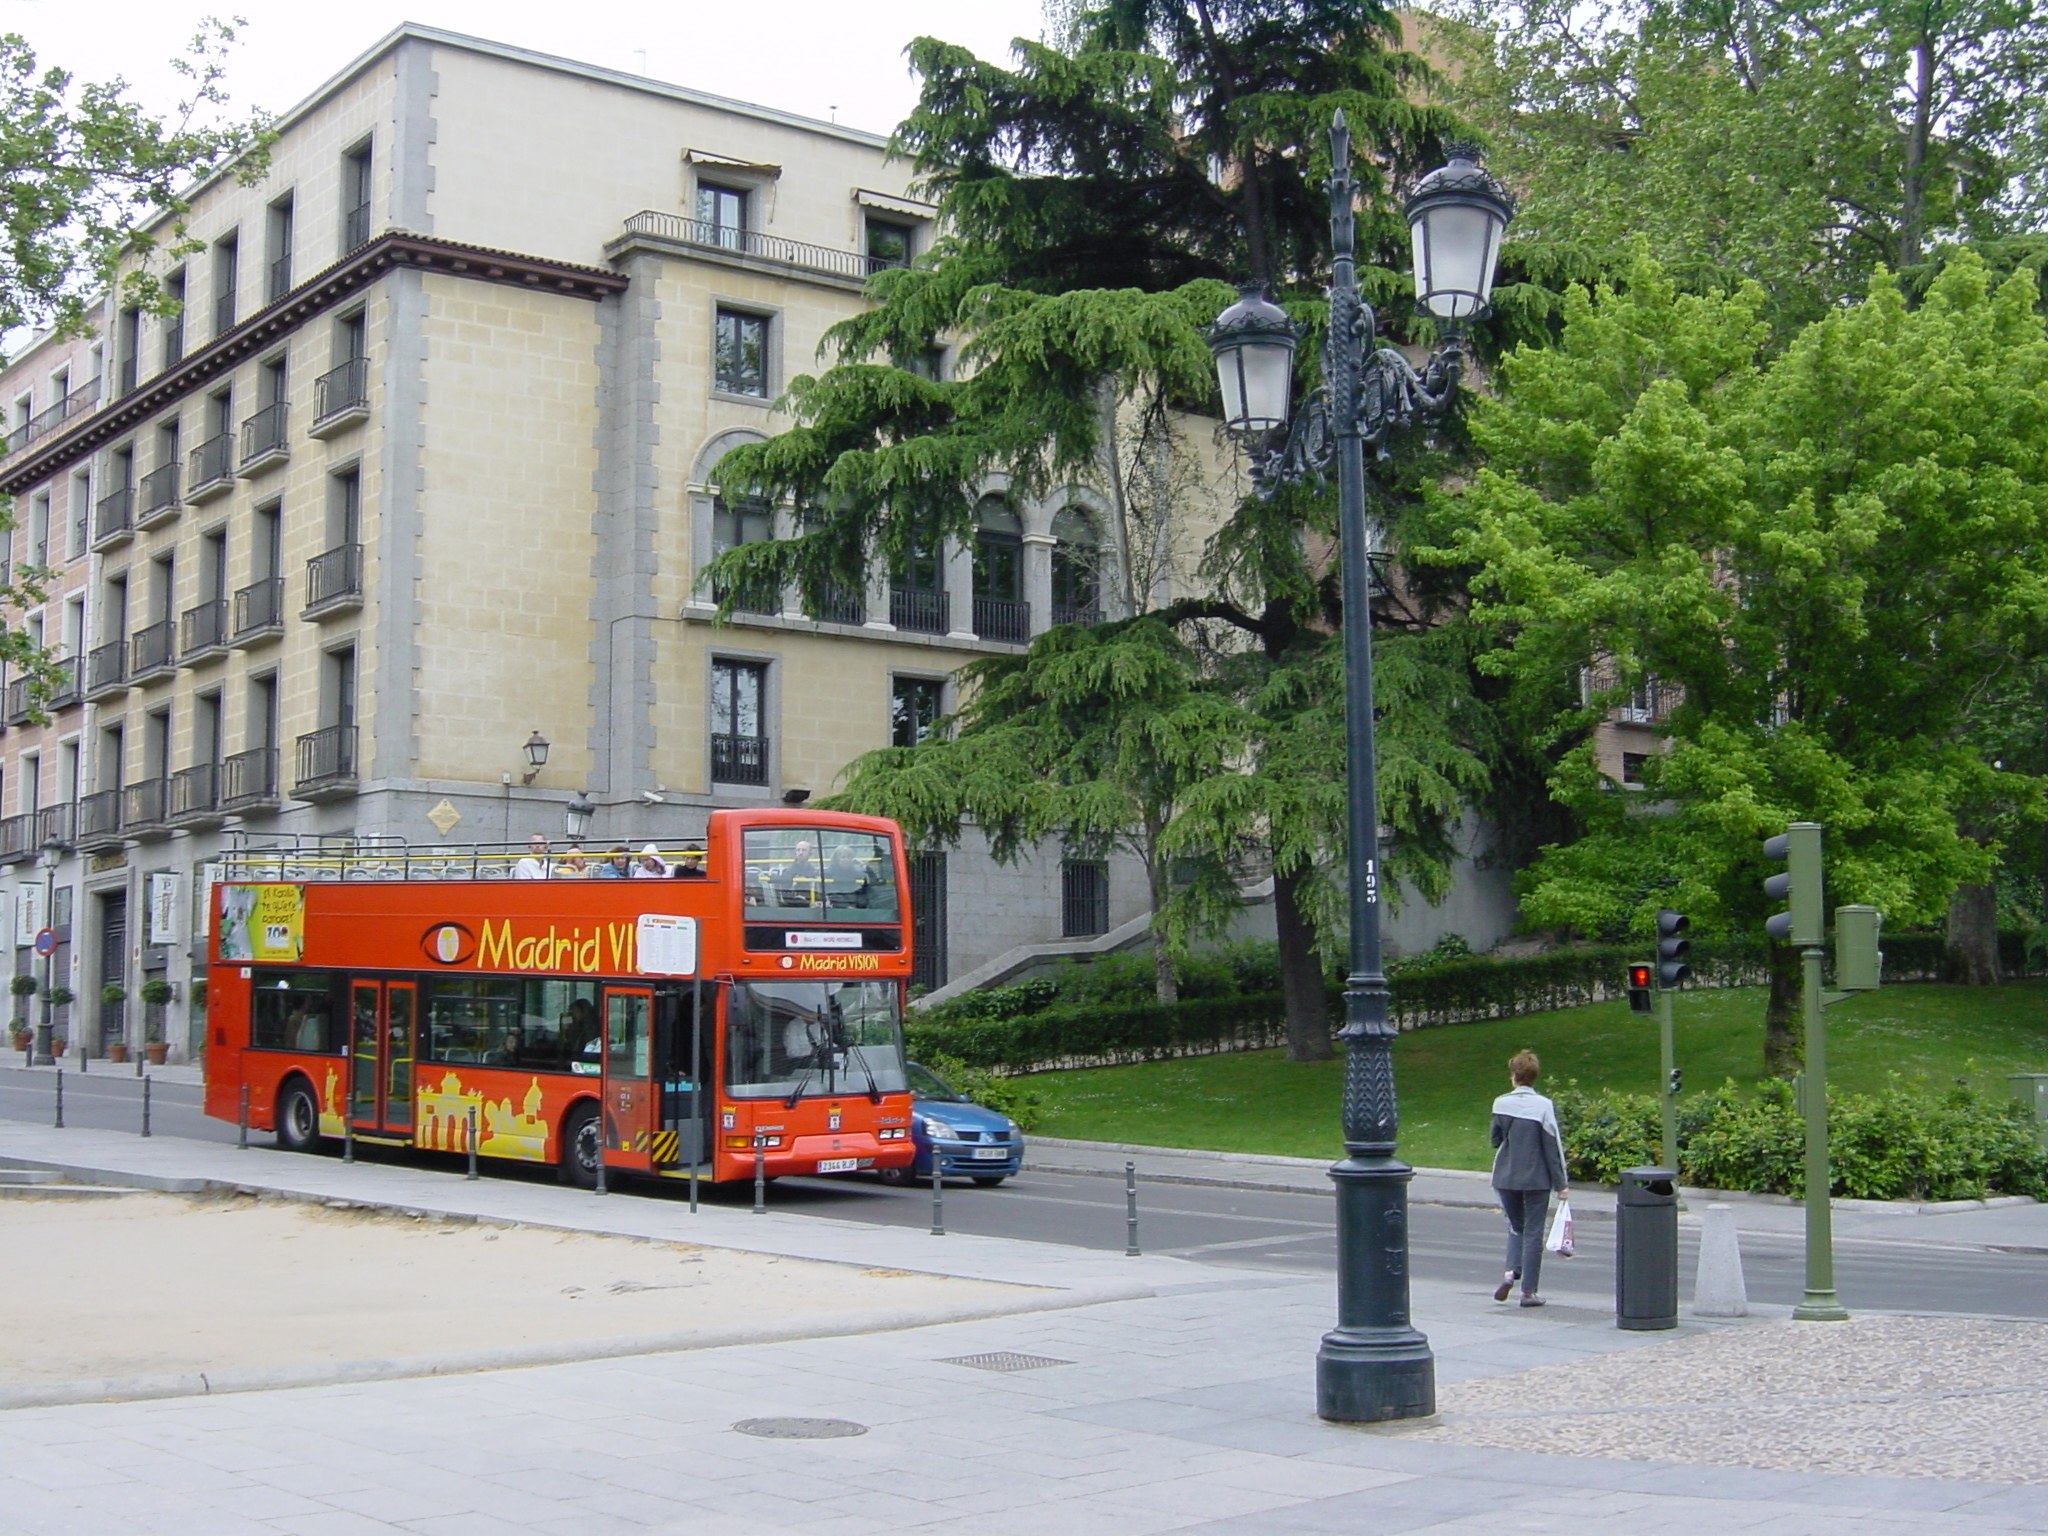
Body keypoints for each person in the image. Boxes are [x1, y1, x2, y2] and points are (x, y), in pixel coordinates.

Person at [1490, 1049, 1569, 1308]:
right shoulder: (1543, 1106)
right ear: (1534, 1077)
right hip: (1536, 1178)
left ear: (1514, 1075)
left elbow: (1495, 1140)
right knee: (1533, 1233)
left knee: (1515, 1226)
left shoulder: (1500, 1103)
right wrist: (1561, 1184)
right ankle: (1529, 1292)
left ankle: (1510, 1273)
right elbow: (1552, 1147)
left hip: (1505, 1175)